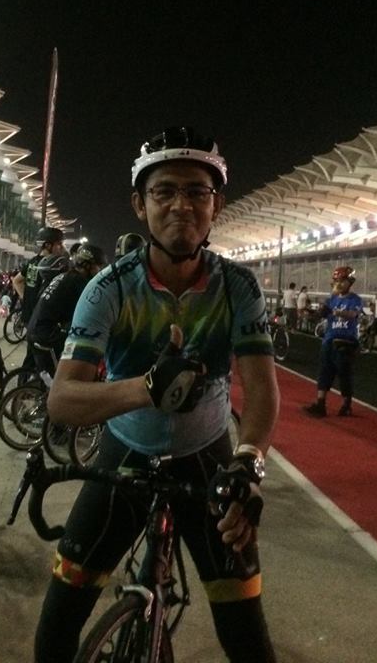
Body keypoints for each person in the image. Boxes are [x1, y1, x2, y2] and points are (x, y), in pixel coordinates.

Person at [36, 127, 278, 662]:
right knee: (57, 626)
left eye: (197, 192)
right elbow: (62, 400)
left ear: (216, 205)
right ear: (140, 205)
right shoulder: (109, 287)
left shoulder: (239, 287)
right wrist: (147, 388)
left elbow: (262, 390)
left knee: (248, 638)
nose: (181, 206)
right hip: (127, 452)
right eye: (164, 191)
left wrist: (248, 463)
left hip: (208, 455)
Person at [25, 244, 106, 377]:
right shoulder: (79, 282)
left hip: (36, 329)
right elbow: (88, 312)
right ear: (87, 265)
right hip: (46, 335)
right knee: (67, 374)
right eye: (98, 266)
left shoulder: (66, 276)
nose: (100, 270)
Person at [304, 266, 364, 417]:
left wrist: (338, 312)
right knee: (325, 371)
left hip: (346, 340)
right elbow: (321, 314)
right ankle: (320, 403)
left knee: (344, 373)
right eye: (337, 281)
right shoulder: (331, 299)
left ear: (350, 282)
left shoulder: (355, 299)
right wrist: (313, 313)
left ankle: (346, 404)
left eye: (342, 281)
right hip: (329, 340)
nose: (339, 284)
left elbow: (353, 314)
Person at [13, 227, 69, 370]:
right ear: (48, 245)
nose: (62, 248)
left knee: (32, 355)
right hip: (41, 319)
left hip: (29, 316)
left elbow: (17, 281)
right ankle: (27, 381)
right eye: (59, 244)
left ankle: (25, 380)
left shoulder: (32, 262)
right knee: (40, 358)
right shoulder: (51, 266)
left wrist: (25, 298)